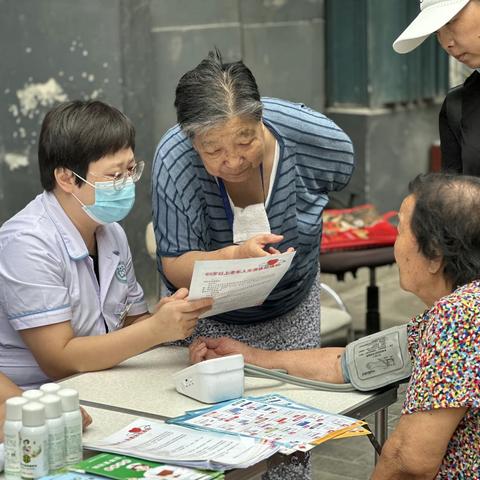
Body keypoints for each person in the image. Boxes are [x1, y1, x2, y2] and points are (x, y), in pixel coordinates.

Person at [190, 173, 480, 479]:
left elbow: (408, 461)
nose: (396, 243)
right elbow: (350, 362)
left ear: (434, 255)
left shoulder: (458, 315)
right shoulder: (460, 309)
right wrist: (248, 356)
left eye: (400, 230)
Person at [152, 48, 354, 352]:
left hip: (291, 310)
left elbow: (336, 176)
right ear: (192, 141)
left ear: (261, 119)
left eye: (245, 141)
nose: (233, 161)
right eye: (214, 150)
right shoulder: (174, 158)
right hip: (205, 317)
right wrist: (234, 259)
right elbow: (175, 263)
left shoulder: (315, 138)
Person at [0, 100, 212, 390]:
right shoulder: (27, 243)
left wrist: (169, 323)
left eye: (131, 170)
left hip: (102, 381)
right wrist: (154, 330)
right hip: (36, 397)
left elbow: (132, 325)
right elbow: (58, 360)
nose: (127, 184)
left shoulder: (110, 232)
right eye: (115, 176)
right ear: (65, 178)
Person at [393, 0, 480, 175]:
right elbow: (454, 194)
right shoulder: (458, 105)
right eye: (437, 32)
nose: (446, 43)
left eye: (450, 21)